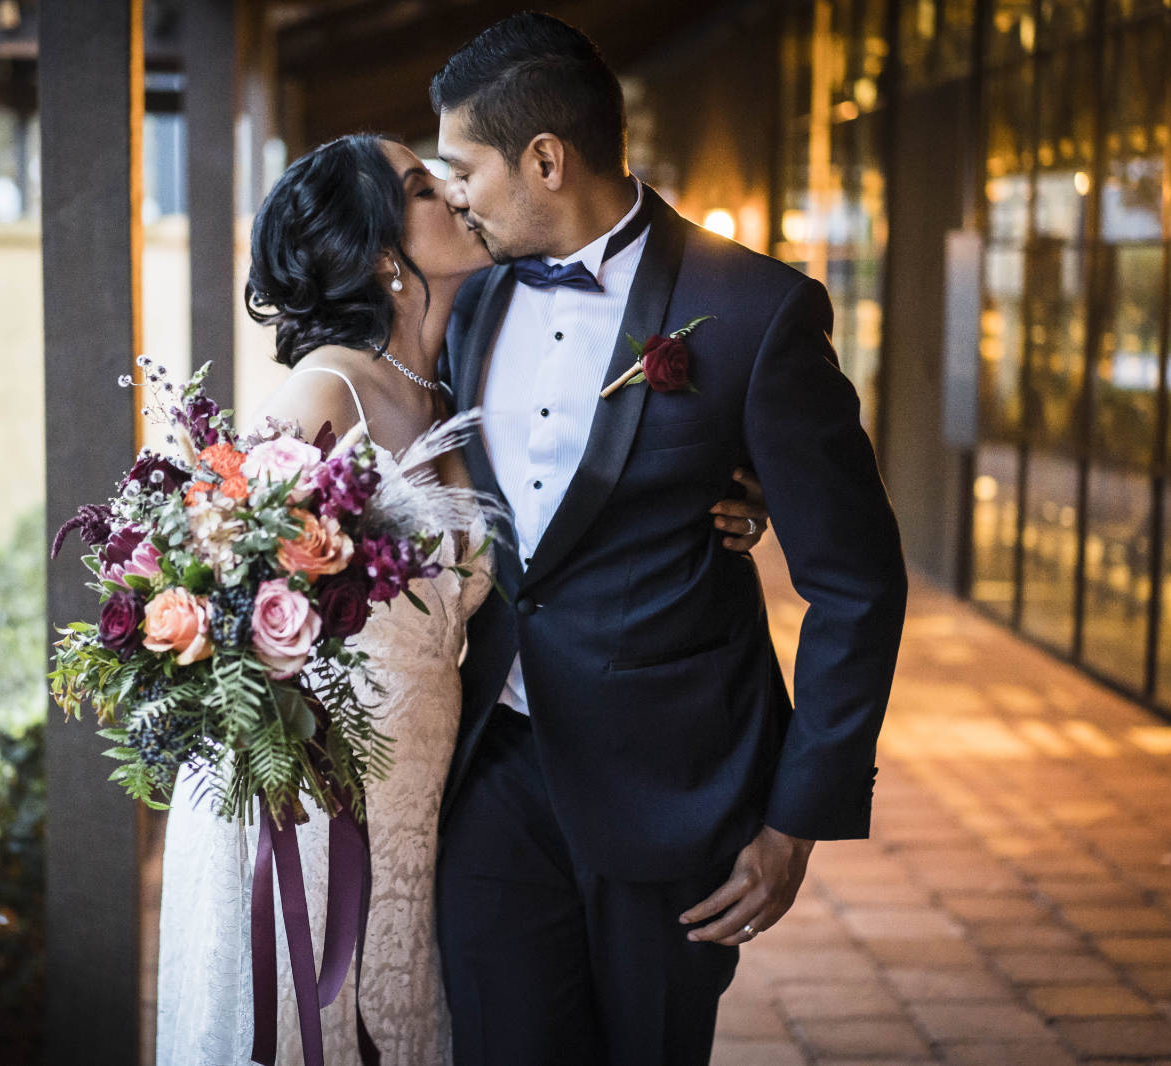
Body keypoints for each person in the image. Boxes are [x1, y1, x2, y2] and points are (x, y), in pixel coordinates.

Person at [154, 132, 771, 1065]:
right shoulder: (321, 396)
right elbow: (216, 591)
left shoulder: (458, 368)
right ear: (377, 253)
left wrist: (725, 495)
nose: (451, 193)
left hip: (433, 791)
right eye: (418, 186)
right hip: (324, 799)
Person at [431, 14, 909, 1066]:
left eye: (461, 166)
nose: (452, 191)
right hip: (496, 771)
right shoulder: (469, 310)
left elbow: (858, 582)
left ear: (544, 159)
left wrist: (798, 816)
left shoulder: (753, 312)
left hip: (676, 785)